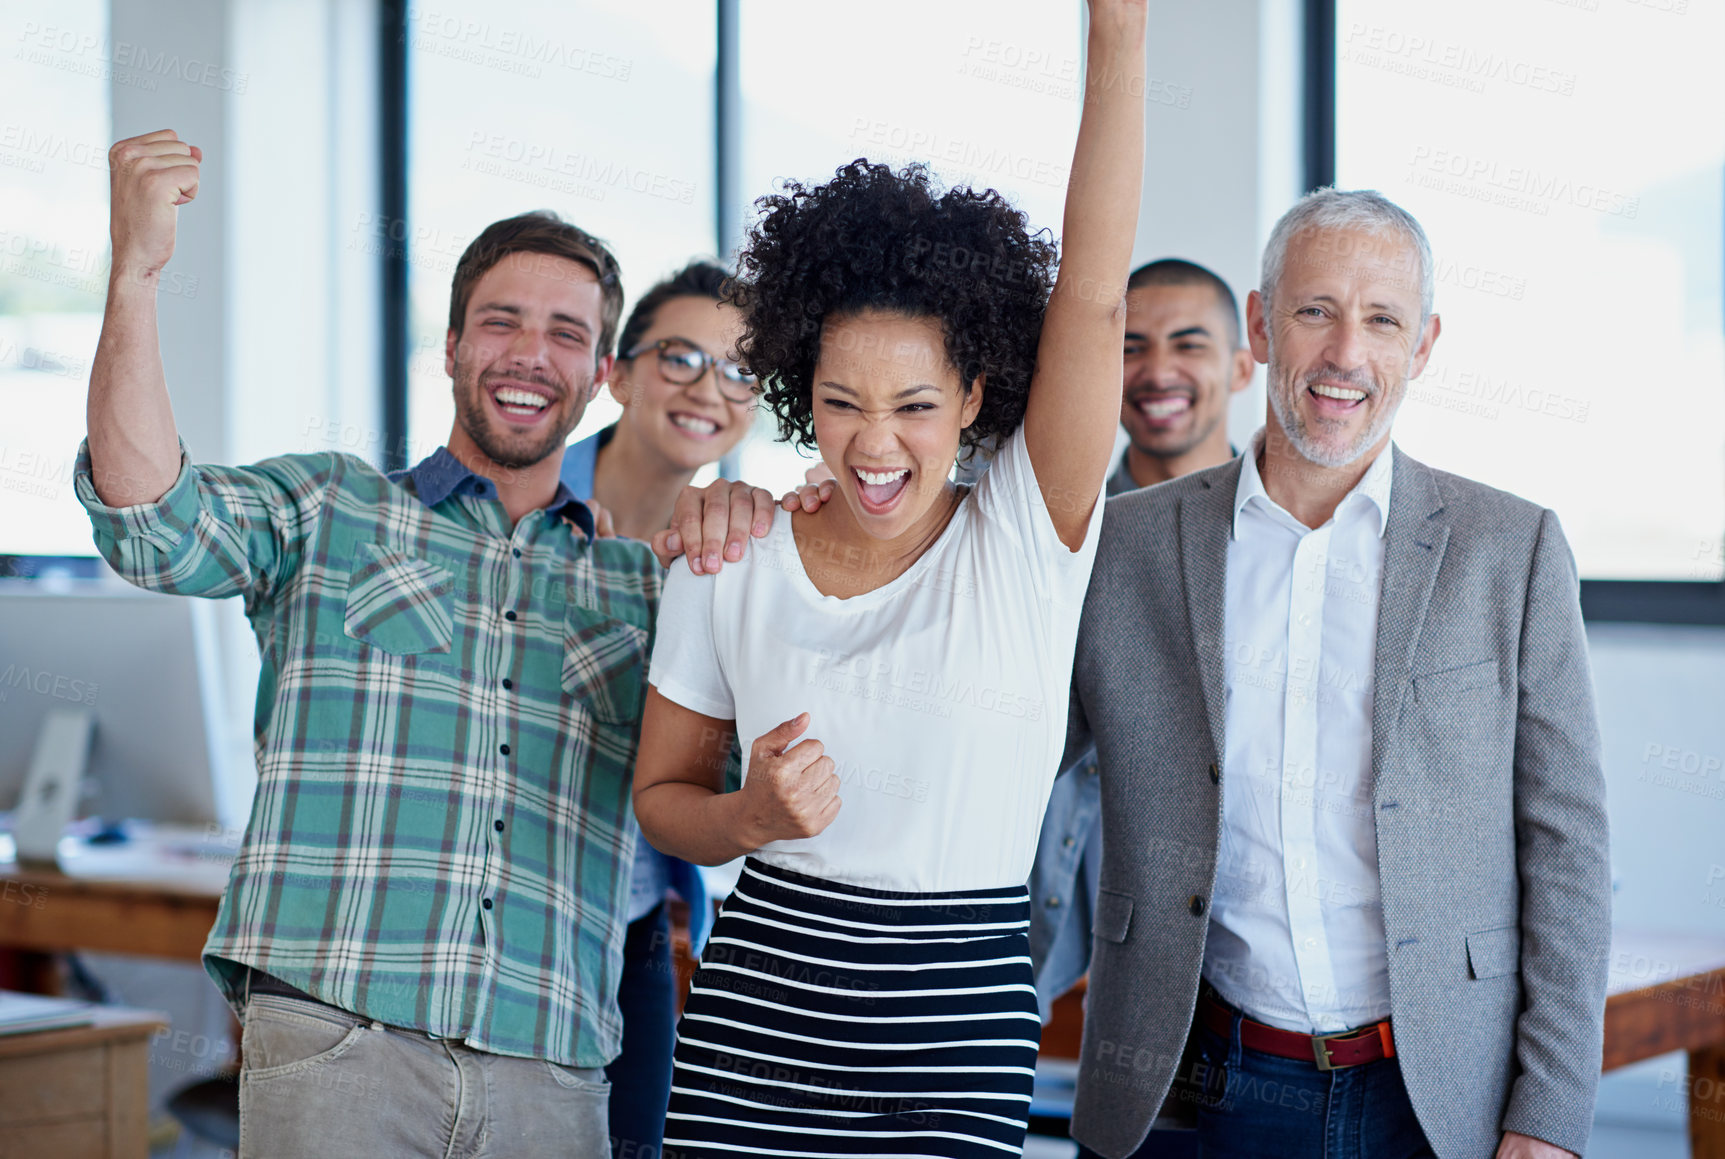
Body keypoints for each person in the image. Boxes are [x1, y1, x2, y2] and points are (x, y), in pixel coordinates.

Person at [74, 131, 783, 1157]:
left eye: (566, 334)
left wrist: (763, 527)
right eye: (502, 322)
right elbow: (150, 520)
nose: (532, 353)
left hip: (555, 1064)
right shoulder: (326, 508)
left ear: (596, 380)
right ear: (451, 349)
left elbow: (744, 767)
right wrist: (135, 276)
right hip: (339, 1042)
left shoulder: (644, 587)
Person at [630, 3, 1147, 1155]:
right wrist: (752, 814)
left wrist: (1117, 34)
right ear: (795, 393)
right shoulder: (731, 556)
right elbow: (663, 796)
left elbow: (1095, 295)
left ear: (973, 398)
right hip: (758, 1014)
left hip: (956, 1021)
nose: (875, 445)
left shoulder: (1026, 532)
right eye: (841, 403)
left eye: (915, 406)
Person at [1065, 188, 1610, 1159]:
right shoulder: (1129, 545)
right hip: (1194, 1087)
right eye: (1316, 311)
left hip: (1443, 1097)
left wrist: (1551, 1110)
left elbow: (1568, 844)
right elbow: (1008, 745)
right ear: (1265, 324)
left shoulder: (1511, 548)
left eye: (1383, 319)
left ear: (1426, 343)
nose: (1346, 354)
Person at [558, 259, 754, 1159]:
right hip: (502, 904)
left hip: (635, 921)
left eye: (741, 368)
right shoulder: (521, 499)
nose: (708, 388)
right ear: (618, 372)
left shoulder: (739, 549)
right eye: (679, 356)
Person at [1030, 257, 1253, 1021]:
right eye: (1130, 345)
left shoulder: (1282, 539)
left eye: (1188, 344)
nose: (1157, 369)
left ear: (1243, 365)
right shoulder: (1055, 526)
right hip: (1088, 942)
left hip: (1257, 948)